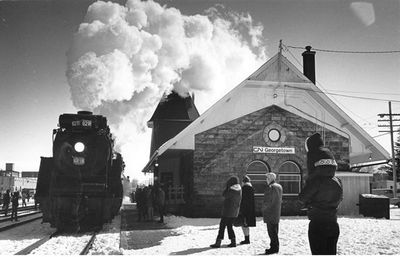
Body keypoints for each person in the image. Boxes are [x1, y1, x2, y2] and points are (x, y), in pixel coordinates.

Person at [299, 132, 343, 255]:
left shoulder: (316, 181)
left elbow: (302, 197)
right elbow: (341, 198)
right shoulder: (337, 181)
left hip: (318, 225)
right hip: (333, 223)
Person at [210, 176, 242, 248]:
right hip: (234, 212)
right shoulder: (239, 189)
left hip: (227, 211)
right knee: (229, 226)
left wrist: (227, 187)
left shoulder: (231, 190)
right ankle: (233, 241)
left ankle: (218, 242)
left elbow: (224, 194)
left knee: (222, 226)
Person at [262, 172, 282, 255]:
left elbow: (268, 201)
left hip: (270, 212)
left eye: (267, 178)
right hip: (276, 212)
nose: (266, 180)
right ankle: (275, 247)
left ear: (270, 179)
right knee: (275, 231)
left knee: (271, 232)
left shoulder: (270, 187)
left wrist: (263, 208)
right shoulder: (279, 186)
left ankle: (273, 248)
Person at [238, 175, 256, 244]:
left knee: (244, 225)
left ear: (243, 181)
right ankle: (247, 239)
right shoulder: (251, 188)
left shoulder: (245, 188)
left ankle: (247, 239)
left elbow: (243, 200)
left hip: (245, 209)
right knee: (246, 225)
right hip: (250, 209)